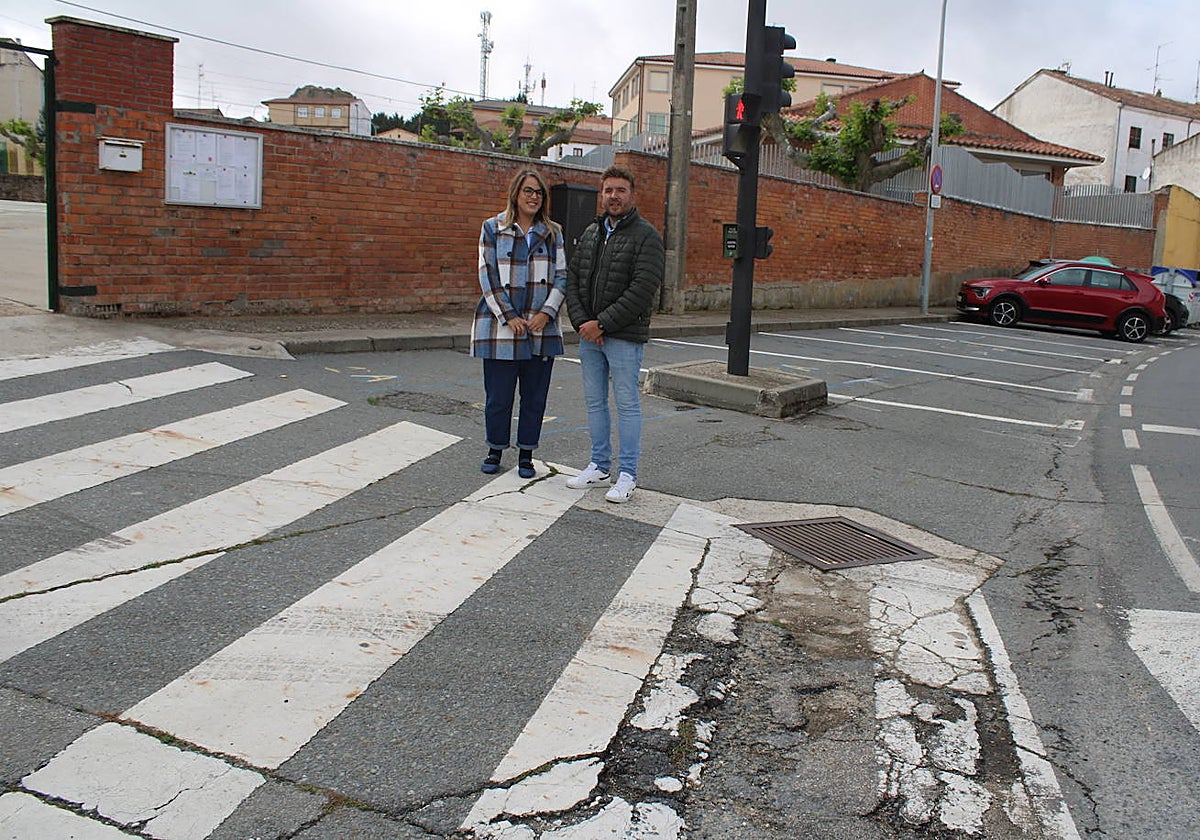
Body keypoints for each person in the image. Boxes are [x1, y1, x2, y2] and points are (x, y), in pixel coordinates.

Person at [564, 165, 664, 503]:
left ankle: (628, 474)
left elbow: (642, 289)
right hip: (589, 335)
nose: (614, 196)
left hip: (623, 336)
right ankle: (599, 466)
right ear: (601, 195)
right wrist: (583, 323)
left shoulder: (647, 236)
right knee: (595, 402)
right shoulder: (592, 232)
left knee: (626, 404)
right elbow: (574, 279)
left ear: (632, 195)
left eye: (620, 190)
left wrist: (602, 324)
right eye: (608, 190)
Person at [470, 168, 567, 479]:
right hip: (501, 328)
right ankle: (495, 449)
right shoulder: (492, 228)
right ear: (516, 193)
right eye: (528, 190)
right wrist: (509, 315)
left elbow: (562, 276)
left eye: (539, 192)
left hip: (540, 329)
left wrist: (546, 313)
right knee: (498, 397)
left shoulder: (553, 232)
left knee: (534, 398)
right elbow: (487, 274)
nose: (533, 197)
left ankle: (527, 454)